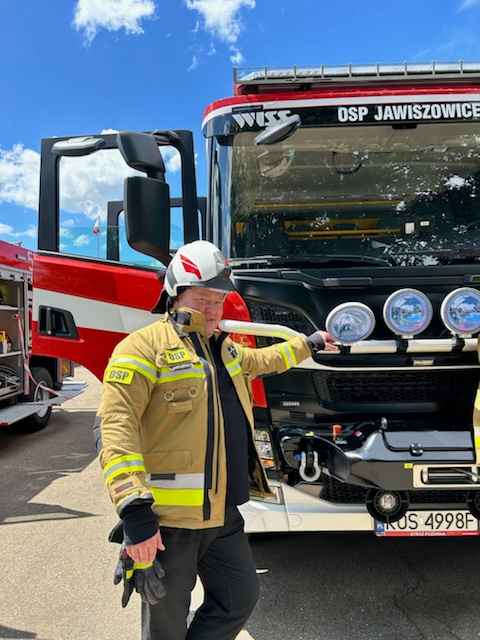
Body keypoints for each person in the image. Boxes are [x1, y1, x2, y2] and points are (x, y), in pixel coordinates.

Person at [94, 240, 338, 640]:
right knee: (166, 628)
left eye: (219, 301)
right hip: (169, 524)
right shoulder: (141, 349)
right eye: (203, 299)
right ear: (175, 295)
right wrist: (136, 517)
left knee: (240, 598)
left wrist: (307, 344)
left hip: (223, 514)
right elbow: (115, 431)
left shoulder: (223, 349)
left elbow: (262, 362)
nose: (213, 310)